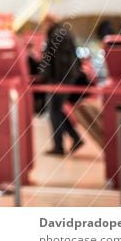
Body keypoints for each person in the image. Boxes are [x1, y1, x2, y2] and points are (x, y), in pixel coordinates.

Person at [40, 15, 85, 155]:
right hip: (66, 77)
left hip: (59, 79)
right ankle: (75, 137)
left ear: (48, 22)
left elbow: (56, 60)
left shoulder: (55, 34)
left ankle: (59, 146)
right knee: (57, 109)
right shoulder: (64, 32)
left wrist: (50, 78)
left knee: (54, 110)